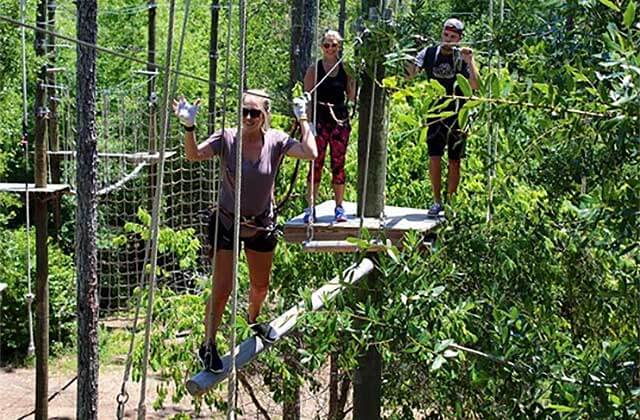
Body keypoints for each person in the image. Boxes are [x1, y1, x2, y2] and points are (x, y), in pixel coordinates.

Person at [174, 90, 317, 373]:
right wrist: (188, 127)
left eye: (255, 113)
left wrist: (303, 118)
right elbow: (193, 155)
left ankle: (253, 319)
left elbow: (310, 152)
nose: (249, 117)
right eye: (245, 112)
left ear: (265, 115)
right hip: (227, 221)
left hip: (260, 224)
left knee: (260, 287)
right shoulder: (226, 138)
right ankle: (208, 343)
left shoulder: (275, 140)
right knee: (222, 288)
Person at [408, 18, 480, 216]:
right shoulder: (429, 53)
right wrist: (408, 54)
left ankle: (450, 204)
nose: (448, 40)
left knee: (455, 160)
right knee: (434, 156)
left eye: (453, 37)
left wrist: (470, 61)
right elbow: (410, 75)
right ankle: (436, 201)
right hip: (435, 111)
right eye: (446, 35)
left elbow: (475, 86)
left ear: (459, 38)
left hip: (458, 113)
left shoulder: (462, 57)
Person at [303, 29, 356, 223]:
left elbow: (351, 96)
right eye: (327, 45)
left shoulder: (345, 69)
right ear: (321, 47)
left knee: (338, 163)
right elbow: (307, 98)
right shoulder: (314, 69)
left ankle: (339, 207)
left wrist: (353, 79)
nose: (330, 49)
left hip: (339, 120)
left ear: (339, 46)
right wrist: (307, 125)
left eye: (334, 45)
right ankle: (310, 208)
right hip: (319, 119)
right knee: (315, 163)